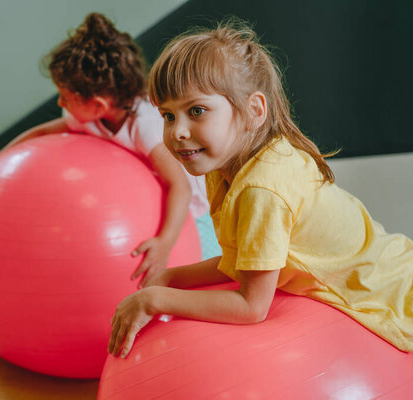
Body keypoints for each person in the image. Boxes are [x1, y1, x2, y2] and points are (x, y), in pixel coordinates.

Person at [108, 20, 413, 358]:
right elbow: (243, 260)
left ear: (254, 111)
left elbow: (252, 306)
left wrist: (155, 298)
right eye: (167, 115)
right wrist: (170, 277)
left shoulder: (260, 189)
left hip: (392, 293)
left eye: (196, 111)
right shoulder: (228, 166)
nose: (178, 131)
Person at [1, 13, 220, 286]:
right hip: (149, 201)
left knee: (205, 277)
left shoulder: (145, 125)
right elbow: (41, 132)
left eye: (66, 97)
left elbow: (181, 187)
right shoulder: (89, 118)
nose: (60, 102)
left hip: (196, 209)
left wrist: (165, 243)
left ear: (98, 105)